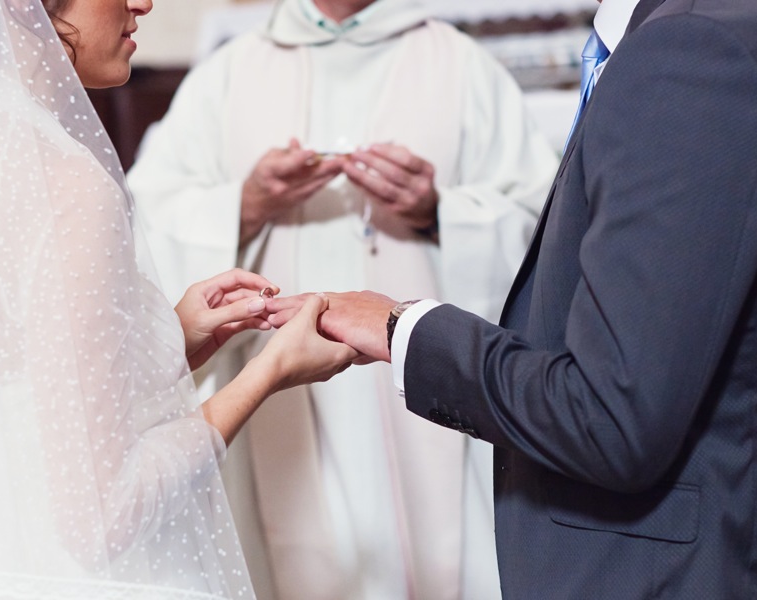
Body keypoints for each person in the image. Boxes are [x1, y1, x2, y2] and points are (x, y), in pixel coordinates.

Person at [267, 0, 757, 597]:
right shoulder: (235, 69)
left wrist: (403, 323)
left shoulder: (686, 51)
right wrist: (241, 208)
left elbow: (611, 414)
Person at [0, 0, 356, 597]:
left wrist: (167, 336)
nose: (143, 2)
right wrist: (269, 371)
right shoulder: (65, 186)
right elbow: (101, 516)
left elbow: (4, 386)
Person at [128, 1, 557, 598]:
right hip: (274, 384)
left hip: (415, 382)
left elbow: (546, 227)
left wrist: (439, 212)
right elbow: (143, 217)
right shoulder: (230, 72)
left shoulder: (462, 67)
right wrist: (245, 205)